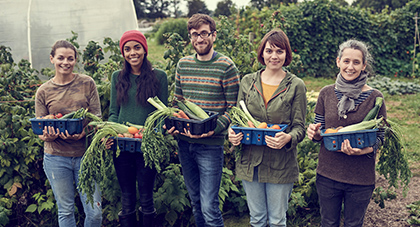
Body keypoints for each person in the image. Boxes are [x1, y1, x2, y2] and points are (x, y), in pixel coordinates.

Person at [228, 29, 307, 227]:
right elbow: (238, 118)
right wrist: (233, 133)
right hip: (250, 160)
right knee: (257, 219)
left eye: (279, 51)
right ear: (262, 53)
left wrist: (288, 138)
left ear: (287, 55)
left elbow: (299, 127)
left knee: (277, 221)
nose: (274, 56)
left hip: (280, 162)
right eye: (269, 50)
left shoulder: (296, 85)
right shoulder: (248, 81)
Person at [167, 13, 240, 227]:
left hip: (210, 145)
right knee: (196, 202)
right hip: (185, 142)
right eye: (195, 35)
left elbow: (232, 108)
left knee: (209, 206)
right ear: (190, 38)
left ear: (214, 35)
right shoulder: (183, 65)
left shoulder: (226, 66)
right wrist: (173, 122)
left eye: (204, 33)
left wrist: (214, 128)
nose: (200, 39)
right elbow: (177, 102)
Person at [306, 39, 386, 227]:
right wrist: (315, 133)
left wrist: (364, 150)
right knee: (328, 223)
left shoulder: (376, 98)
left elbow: (380, 138)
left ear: (364, 66)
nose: (350, 67)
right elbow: (320, 133)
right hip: (328, 175)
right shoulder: (326, 93)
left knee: (353, 224)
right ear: (338, 62)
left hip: (360, 178)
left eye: (356, 62)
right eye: (346, 61)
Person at [35, 40, 103, 227]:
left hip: (85, 156)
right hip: (56, 157)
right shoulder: (43, 91)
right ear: (52, 59)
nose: (65, 62)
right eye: (61, 58)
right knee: (65, 211)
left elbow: (97, 118)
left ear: (75, 60)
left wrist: (82, 133)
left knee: (95, 212)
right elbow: (40, 128)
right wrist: (46, 134)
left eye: (70, 58)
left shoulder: (87, 83)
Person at [107, 30, 168, 227]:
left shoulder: (159, 76)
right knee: (126, 197)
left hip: (147, 144)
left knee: (146, 196)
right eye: (127, 49)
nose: (132, 52)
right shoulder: (118, 77)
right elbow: (114, 112)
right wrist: (112, 132)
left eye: (137, 47)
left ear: (144, 50)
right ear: (123, 53)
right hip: (122, 143)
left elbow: (162, 113)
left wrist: (152, 134)